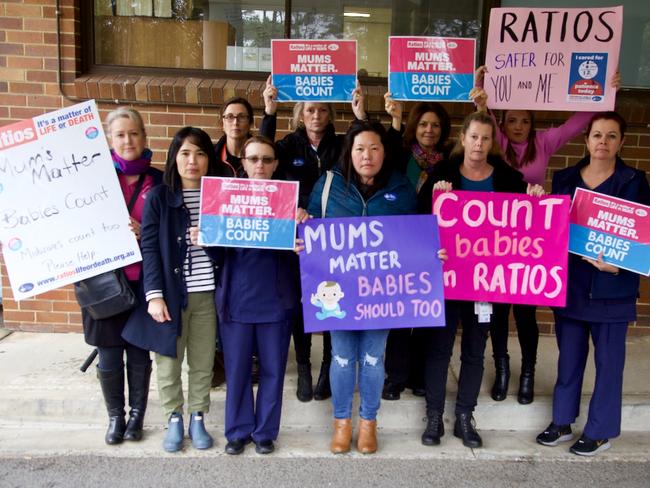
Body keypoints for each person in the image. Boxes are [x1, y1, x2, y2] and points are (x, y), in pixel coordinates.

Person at [472, 67, 620, 405]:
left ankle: (527, 371)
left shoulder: (544, 141)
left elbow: (578, 123)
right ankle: (503, 366)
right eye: (512, 120)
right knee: (496, 307)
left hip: (530, 239)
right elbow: (483, 112)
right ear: (504, 124)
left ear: (532, 123)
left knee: (525, 311)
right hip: (496, 236)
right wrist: (480, 87)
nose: (519, 126)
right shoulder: (499, 141)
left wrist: (604, 91)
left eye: (524, 120)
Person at [417, 111, 544, 448]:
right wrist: (435, 199)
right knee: (439, 349)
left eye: (486, 138)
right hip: (446, 279)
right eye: (474, 136)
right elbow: (417, 223)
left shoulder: (508, 177)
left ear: (493, 143)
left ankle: (463, 416)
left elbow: (528, 219)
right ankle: (433, 417)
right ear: (463, 138)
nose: (479, 143)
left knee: (475, 350)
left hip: (485, 284)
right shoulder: (442, 175)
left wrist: (533, 197)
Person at [537, 112, 650, 456]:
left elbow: (643, 235)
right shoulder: (566, 178)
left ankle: (600, 430)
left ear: (622, 142)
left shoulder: (634, 181)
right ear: (586, 140)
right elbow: (552, 228)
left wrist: (619, 265)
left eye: (611, 136)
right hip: (571, 283)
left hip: (613, 289)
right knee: (569, 357)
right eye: (597, 135)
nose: (603, 142)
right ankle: (561, 420)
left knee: (609, 363)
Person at [306, 121, 417, 454]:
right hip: (336, 290)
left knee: (371, 358)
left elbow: (414, 237)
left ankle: (368, 422)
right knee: (341, 358)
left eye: (374, 148)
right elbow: (310, 224)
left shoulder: (402, 187)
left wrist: (430, 252)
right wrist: (302, 235)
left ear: (385, 151)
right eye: (359, 149)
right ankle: (342, 423)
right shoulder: (328, 185)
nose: (367, 156)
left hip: (380, 292)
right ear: (348, 153)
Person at [260, 76, 368, 403]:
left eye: (322, 110)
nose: (316, 115)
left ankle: (329, 365)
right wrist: (268, 111)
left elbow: (367, 146)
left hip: (335, 236)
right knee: (301, 302)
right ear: (300, 114)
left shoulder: (342, 144)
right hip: (297, 235)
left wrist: (361, 113)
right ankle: (305, 365)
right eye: (310, 110)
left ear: (331, 114)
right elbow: (261, 164)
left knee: (333, 299)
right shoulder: (287, 146)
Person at [195, 136, 299, 456]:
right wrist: (204, 236)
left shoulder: (290, 201)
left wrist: (301, 235)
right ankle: (238, 431)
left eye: (267, 160)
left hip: (276, 301)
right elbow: (216, 251)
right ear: (242, 161)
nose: (260, 165)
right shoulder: (225, 197)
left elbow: (304, 254)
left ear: (276, 164)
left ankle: (265, 431)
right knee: (238, 371)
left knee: (272, 370)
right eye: (253, 158)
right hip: (236, 299)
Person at [122, 127, 220, 452]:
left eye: (201, 153)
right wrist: (154, 294)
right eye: (185, 153)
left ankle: (197, 416)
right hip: (170, 295)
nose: (193, 161)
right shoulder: (159, 198)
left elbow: (233, 248)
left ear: (209, 159)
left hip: (207, 294)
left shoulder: (219, 197)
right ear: (174, 158)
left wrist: (210, 240)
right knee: (168, 359)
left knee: (203, 360)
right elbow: (149, 246)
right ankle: (174, 417)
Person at [84, 107, 162, 445]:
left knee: (139, 352)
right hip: (104, 284)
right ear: (109, 140)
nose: (127, 140)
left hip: (144, 281)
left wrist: (143, 229)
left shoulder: (158, 181)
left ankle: (136, 418)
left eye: (133, 134)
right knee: (110, 353)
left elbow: (170, 231)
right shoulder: (93, 181)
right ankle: (115, 417)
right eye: (120, 134)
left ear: (144, 137)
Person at [381, 95, 453, 400]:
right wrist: (395, 119)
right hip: (401, 240)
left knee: (426, 312)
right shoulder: (400, 155)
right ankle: (395, 376)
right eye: (423, 123)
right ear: (415, 126)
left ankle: (420, 375)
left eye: (436, 125)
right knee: (399, 314)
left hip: (435, 242)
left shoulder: (450, 160)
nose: (429, 130)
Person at [214, 96, 255, 176]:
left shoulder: (259, 157)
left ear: (250, 123)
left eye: (242, 117)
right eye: (230, 117)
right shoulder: (211, 157)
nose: (235, 122)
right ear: (222, 123)